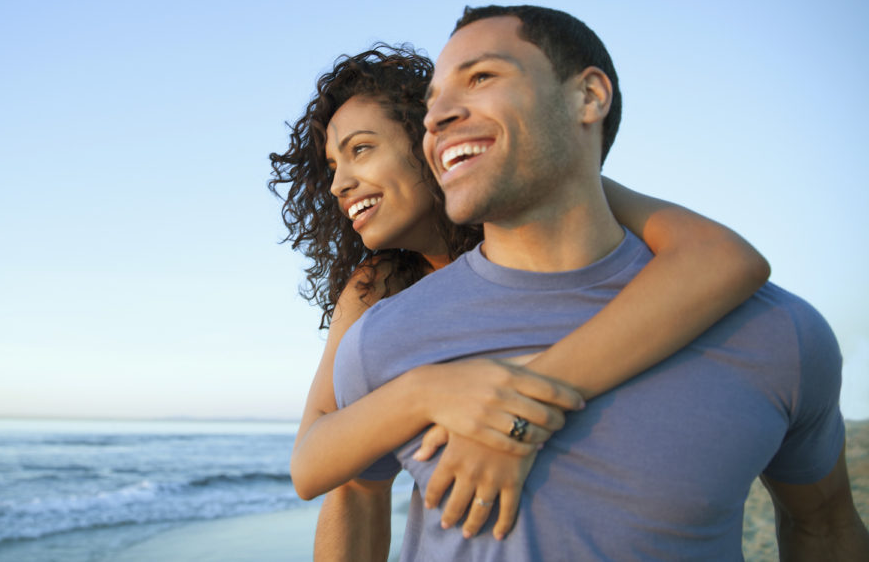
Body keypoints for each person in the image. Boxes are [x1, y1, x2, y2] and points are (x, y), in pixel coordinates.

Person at [327, 5, 868, 559]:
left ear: (589, 97)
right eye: (432, 102)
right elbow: (350, 491)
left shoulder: (777, 332)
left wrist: (517, 415)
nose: (436, 117)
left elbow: (824, 524)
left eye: (482, 76)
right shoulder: (381, 335)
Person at [270, 44, 771, 556]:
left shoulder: (550, 199)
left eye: (360, 149)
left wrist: (521, 406)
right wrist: (427, 391)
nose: (338, 184)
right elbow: (317, 466)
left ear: (431, 137)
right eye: (332, 164)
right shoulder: (376, 288)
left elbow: (725, 259)